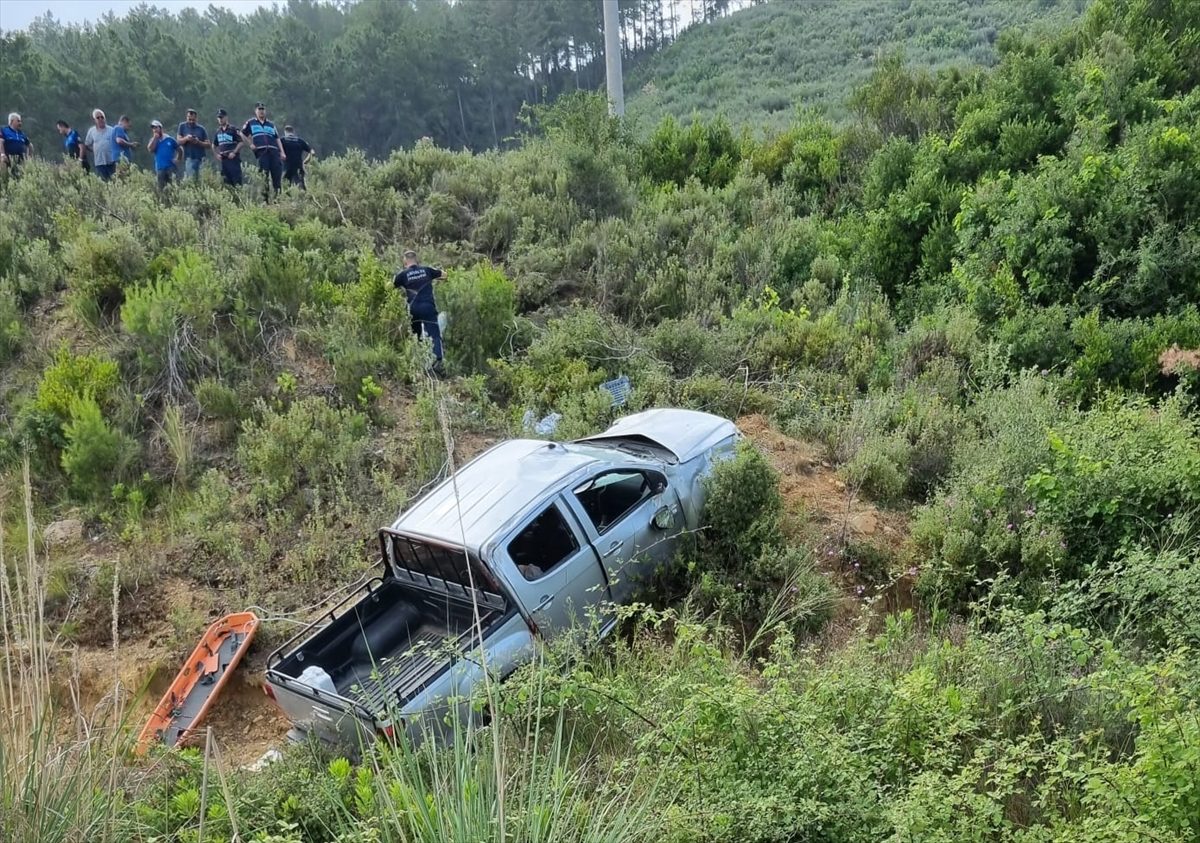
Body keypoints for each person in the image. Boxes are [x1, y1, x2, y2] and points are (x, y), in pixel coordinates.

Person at [393, 249, 446, 371]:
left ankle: (419, 364)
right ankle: (438, 362)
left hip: (413, 310)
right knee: (435, 334)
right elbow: (444, 275)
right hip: (428, 308)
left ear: (405, 262)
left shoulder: (402, 274)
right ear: (417, 260)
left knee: (416, 337)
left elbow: (392, 285)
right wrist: (436, 277)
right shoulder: (427, 270)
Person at [241, 102, 285, 197]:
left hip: (274, 151)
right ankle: (265, 200)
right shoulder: (251, 123)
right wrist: (250, 144)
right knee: (263, 176)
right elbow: (242, 133)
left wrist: (282, 152)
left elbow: (277, 138)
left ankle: (278, 198)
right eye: (259, 110)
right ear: (255, 111)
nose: (261, 111)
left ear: (265, 111)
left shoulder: (271, 124)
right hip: (262, 152)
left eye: (263, 109)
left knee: (277, 175)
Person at [212, 108, 243, 186]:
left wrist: (234, 152)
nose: (220, 119)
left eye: (222, 117)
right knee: (226, 183)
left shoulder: (233, 129)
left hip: (233, 159)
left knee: (236, 182)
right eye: (219, 118)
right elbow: (213, 145)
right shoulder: (218, 131)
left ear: (226, 117)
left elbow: (241, 142)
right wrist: (216, 155)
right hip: (224, 160)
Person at [84, 109, 118, 180]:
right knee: (103, 180)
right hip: (99, 162)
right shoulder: (91, 131)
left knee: (114, 180)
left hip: (111, 161)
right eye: (98, 118)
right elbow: (87, 144)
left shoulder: (111, 130)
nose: (100, 119)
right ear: (94, 120)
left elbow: (117, 143)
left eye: (102, 117)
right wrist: (94, 150)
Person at [177, 108, 210, 180]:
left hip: (201, 158)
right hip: (189, 158)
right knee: (191, 179)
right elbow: (179, 141)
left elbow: (208, 145)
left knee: (202, 180)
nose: (191, 121)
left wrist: (198, 142)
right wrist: (186, 138)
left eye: (193, 120)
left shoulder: (201, 129)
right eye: (189, 119)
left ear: (196, 119)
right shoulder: (182, 126)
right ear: (187, 117)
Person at [147, 119, 180, 189]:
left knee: (174, 187)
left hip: (171, 167)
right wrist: (155, 139)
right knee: (161, 190)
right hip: (160, 169)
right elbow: (150, 149)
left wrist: (178, 159)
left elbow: (180, 150)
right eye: (153, 128)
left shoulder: (170, 139)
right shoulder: (153, 140)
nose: (154, 130)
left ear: (160, 128)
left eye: (156, 127)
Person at [280, 125, 314, 189]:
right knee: (300, 185)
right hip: (298, 166)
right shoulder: (300, 140)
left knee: (285, 186)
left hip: (287, 167)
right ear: (293, 132)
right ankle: (304, 197)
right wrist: (306, 161)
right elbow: (312, 151)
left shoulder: (282, 140)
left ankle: (287, 198)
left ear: (285, 132)